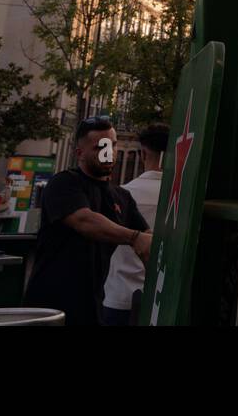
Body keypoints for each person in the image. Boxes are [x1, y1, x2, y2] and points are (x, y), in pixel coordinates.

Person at [23, 117, 152, 325]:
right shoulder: (64, 183)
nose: (108, 152)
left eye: (112, 144)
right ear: (79, 153)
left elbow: (148, 238)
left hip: (93, 307)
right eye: (100, 147)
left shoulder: (122, 197)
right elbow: (85, 220)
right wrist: (134, 238)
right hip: (49, 309)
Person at [101, 122, 168, 325]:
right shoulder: (181, 201)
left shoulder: (119, 195)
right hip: (162, 300)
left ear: (143, 154)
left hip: (118, 297)